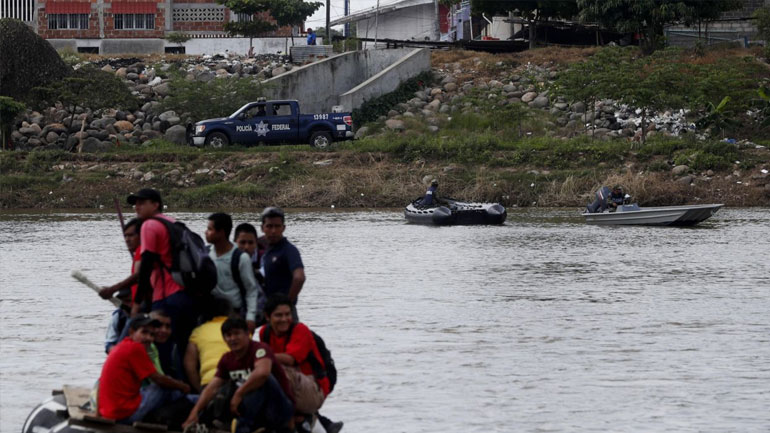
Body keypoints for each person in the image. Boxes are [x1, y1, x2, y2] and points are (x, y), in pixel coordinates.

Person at [182, 317, 294, 433]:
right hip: (250, 409)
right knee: (223, 389)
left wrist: (239, 394)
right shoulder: (227, 359)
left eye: (237, 334)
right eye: (229, 335)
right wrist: (194, 413)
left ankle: (243, 427)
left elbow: (263, 373)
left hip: (278, 408)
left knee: (260, 381)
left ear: (247, 334)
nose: (233, 339)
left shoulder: (260, 349)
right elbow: (212, 387)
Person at [259, 295, 341, 433]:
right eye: (278, 315)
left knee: (278, 371)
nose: (284, 319)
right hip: (292, 387)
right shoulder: (265, 333)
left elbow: (290, 359)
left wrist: (258, 354)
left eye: (287, 314)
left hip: (315, 387)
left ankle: (297, 418)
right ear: (268, 317)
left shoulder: (300, 330)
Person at [129, 188, 196, 353]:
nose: (137, 207)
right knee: (181, 347)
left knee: (162, 349)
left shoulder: (149, 225)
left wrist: (137, 304)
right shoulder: (173, 223)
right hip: (187, 294)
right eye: (136, 204)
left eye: (142, 203)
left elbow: (145, 268)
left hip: (166, 297)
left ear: (155, 205)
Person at [97, 314, 190, 423]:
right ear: (132, 332)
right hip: (123, 415)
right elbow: (158, 379)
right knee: (163, 387)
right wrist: (183, 386)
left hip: (110, 413)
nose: (149, 338)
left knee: (162, 387)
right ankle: (193, 404)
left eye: (151, 334)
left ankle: (190, 403)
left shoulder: (122, 345)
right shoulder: (135, 348)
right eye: (144, 332)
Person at [205, 213, 260, 333]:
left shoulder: (241, 258)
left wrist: (250, 318)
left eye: (210, 229)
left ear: (221, 232)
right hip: (209, 315)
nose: (206, 232)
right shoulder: (206, 254)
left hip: (234, 315)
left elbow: (251, 290)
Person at [102, 218, 142, 353]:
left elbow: (138, 276)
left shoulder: (143, 252)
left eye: (131, 235)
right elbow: (108, 344)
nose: (127, 239)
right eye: (125, 236)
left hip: (142, 309)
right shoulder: (118, 316)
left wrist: (112, 289)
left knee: (122, 351)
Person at [260, 207, 305, 321]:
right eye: (269, 226)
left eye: (277, 226)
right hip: (265, 309)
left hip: (285, 313)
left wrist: (287, 304)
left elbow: (299, 278)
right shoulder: (260, 245)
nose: (273, 231)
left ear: (283, 228)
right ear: (262, 228)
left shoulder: (289, 250)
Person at [184, 297, 232, 393]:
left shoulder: (199, 331)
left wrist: (200, 390)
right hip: (239, 379)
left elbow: (189, 365)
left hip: (210, 382)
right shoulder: (240, 330)